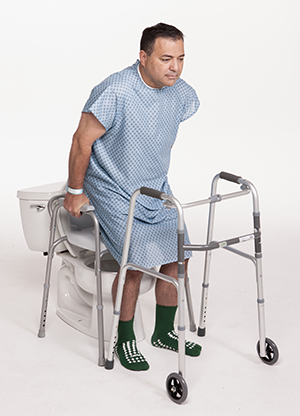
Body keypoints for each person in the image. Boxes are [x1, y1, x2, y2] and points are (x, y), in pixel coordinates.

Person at [63, 22, 202, 371]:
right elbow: (82, 140)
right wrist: (75, 190)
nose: (175, 67)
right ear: (143, 57)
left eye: (181, 58)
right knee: (136, 260)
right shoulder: (116, 90)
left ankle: (164, 332)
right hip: (112, 186)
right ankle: (124, 338)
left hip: (154, 186)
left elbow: (160, 127)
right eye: (166, 58)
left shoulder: (180, 91)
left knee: (179, 252)